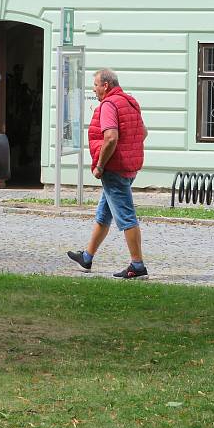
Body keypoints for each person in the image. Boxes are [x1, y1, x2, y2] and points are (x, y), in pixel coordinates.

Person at [67, 69, 149, 278]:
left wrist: (100, 165)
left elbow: (111, 137)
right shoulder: (129, 102)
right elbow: (143, 132)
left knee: (126, 217)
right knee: (104, 214)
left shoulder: (109, 105)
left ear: (106, 85)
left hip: (114, 169)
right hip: (128, 168)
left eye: (95, 85)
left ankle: (137, 266)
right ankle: (87, 257)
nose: (93, 89)